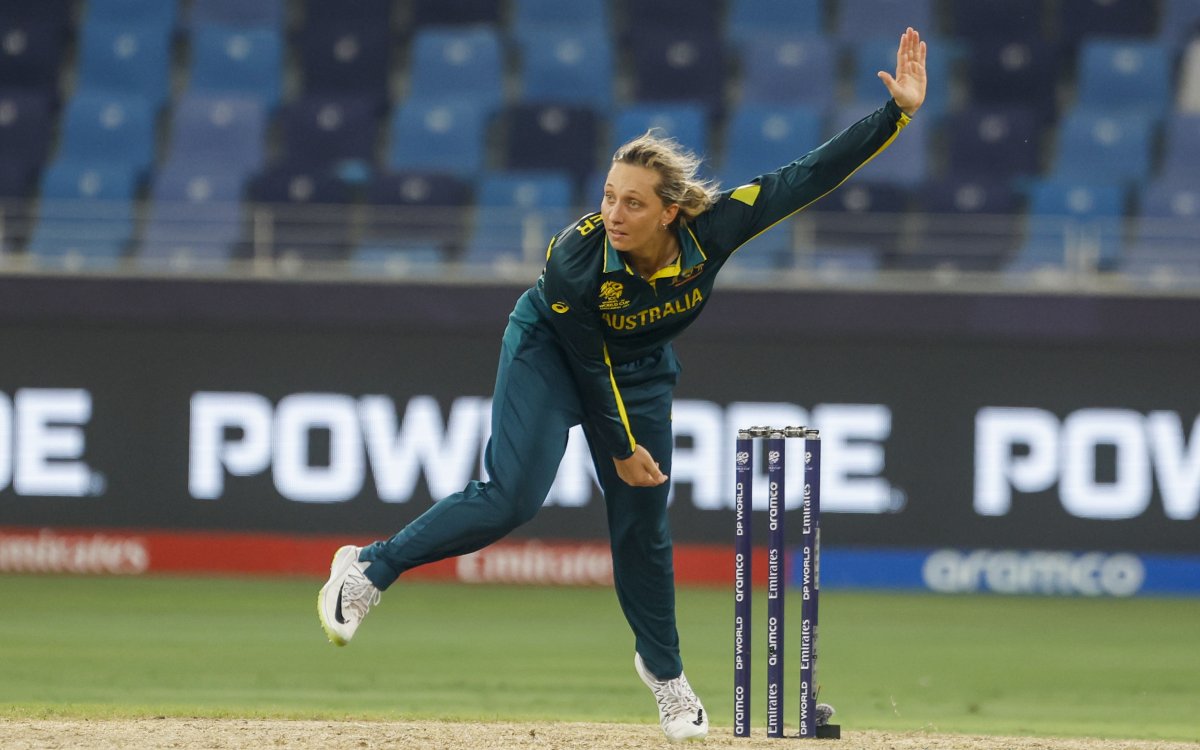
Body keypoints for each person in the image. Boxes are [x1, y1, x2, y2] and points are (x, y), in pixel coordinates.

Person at [319, 27, 927, 743]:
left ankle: (666, 676)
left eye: (633, 203)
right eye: (609, 197)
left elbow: (807, 175)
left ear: (671, 210)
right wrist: (622, 449)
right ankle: (368, 569)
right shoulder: (573, 261)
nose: (613, 214)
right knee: (512, 497)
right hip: (551, 354)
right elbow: (587, 363)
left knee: (643, 529)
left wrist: (896, 114)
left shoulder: (713, 229)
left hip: (639, 371)